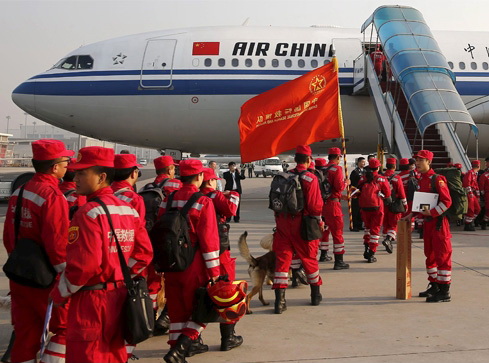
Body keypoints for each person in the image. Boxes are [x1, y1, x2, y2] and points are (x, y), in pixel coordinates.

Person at [50, 146, 153, 363]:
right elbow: (144, 254)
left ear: (102, 177)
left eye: (81, 173)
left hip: (91, 302)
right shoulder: (128, 209)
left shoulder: (88, 213)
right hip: (120, 297)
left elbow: (84, 267)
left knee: (87, 356)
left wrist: (60, 293)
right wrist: (119, 272)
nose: (75, 178)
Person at [3, 139, 73, 363]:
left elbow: (8, 237)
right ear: (54, 167)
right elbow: (57, 242)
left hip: (20, 275)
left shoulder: (20, 191)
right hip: (46, 280)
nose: (67, 166)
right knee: (65, 329)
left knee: (26, 334)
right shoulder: (53, 196)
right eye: (65, 161)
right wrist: (66, 276)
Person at [157, 159, 221, 363]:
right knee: (203, 309)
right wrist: (214, 272)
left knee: (176, 312)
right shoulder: (203, 202)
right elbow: (209, 239)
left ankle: (177, 350)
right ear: (199, 177)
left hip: (170, 264)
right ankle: (181, 348)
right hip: (193, 264)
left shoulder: (168, 199)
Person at [272, 145, 323, 314]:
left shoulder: (284, 176)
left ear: (295, 159)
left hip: (282, 223)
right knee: (309, 258)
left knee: (282, 261)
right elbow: (315, 206)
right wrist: (318, 222)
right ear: (308, 160)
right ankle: (315, 294)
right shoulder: (310, 178)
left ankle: (280, 301)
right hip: (303, 224)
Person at [199, 167, 243, 352]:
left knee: (199, 294)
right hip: (219, 251)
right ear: (209, 182)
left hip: (196, 254)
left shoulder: (193, 198)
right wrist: (231, 193)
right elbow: (232, 209)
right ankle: (228, 337)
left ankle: (194, 337)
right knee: (228, 294)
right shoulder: (214, 196)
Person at [403, 150, 453, 303]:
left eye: (421, 160)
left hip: (438, 224)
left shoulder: (437, 180)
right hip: (428, 224)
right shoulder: (421, 179)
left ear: (428, 162)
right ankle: (434, 285)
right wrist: (412, 214)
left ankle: (444, 291)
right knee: (429, 255)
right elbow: (421, 202)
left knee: (442, 256)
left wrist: (432, 213)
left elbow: (447, 202)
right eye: (416, 160)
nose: (417, 163)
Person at [319, 148, 350, 270]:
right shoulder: (337, 169)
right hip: (333, 206)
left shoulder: (322, 169)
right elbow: (338, 186)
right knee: (337, 233)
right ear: (337, 157)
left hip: (323, 204)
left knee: (325, 230)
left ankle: (323, 254)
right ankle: (339, 261)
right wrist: (346, 183)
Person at [357, 158, 391, 263]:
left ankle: (366, 248)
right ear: (378, 167)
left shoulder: (363, 178)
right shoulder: (382, 178)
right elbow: (388, 194)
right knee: (375, 230)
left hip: (364, 207)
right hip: (377, 207)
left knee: (367, 228)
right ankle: (372, 252)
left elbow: (358, 190)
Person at [381, 158, 407, 253]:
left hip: (383, 204)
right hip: (395, 204)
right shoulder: (397, 177)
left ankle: (387, 243)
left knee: (386, 224)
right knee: (394, 225)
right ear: (394, 166)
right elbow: (401, 192)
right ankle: (388, 240)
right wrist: (405, 204)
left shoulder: (381, 177)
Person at [462, 160, 481, 231]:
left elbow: (476, 186)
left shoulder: (473, 174)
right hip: (469, 194)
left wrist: (478, 196)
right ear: (478, 166)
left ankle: (469, 221)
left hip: (472, 194)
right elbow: (467, 183)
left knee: (477, 209)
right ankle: (468, 224)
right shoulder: (470, 173)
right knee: (471, 209)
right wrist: (470, 194)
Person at [349, 157, 366, 231]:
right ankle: (354, 225)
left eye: (364, 162)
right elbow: (352, 183)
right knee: (355, 210)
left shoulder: (365, 171)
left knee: (360, 210)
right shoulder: (355, 172)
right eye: (362, 162)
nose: (364, 163)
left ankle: (359, 224)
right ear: (358, 162)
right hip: (356, 193)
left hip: (362, 193)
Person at [479, 157, 489, 230]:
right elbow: (481, 185)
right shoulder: (485, 175)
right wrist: (482, 193)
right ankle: (484, 222)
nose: (486, 164)